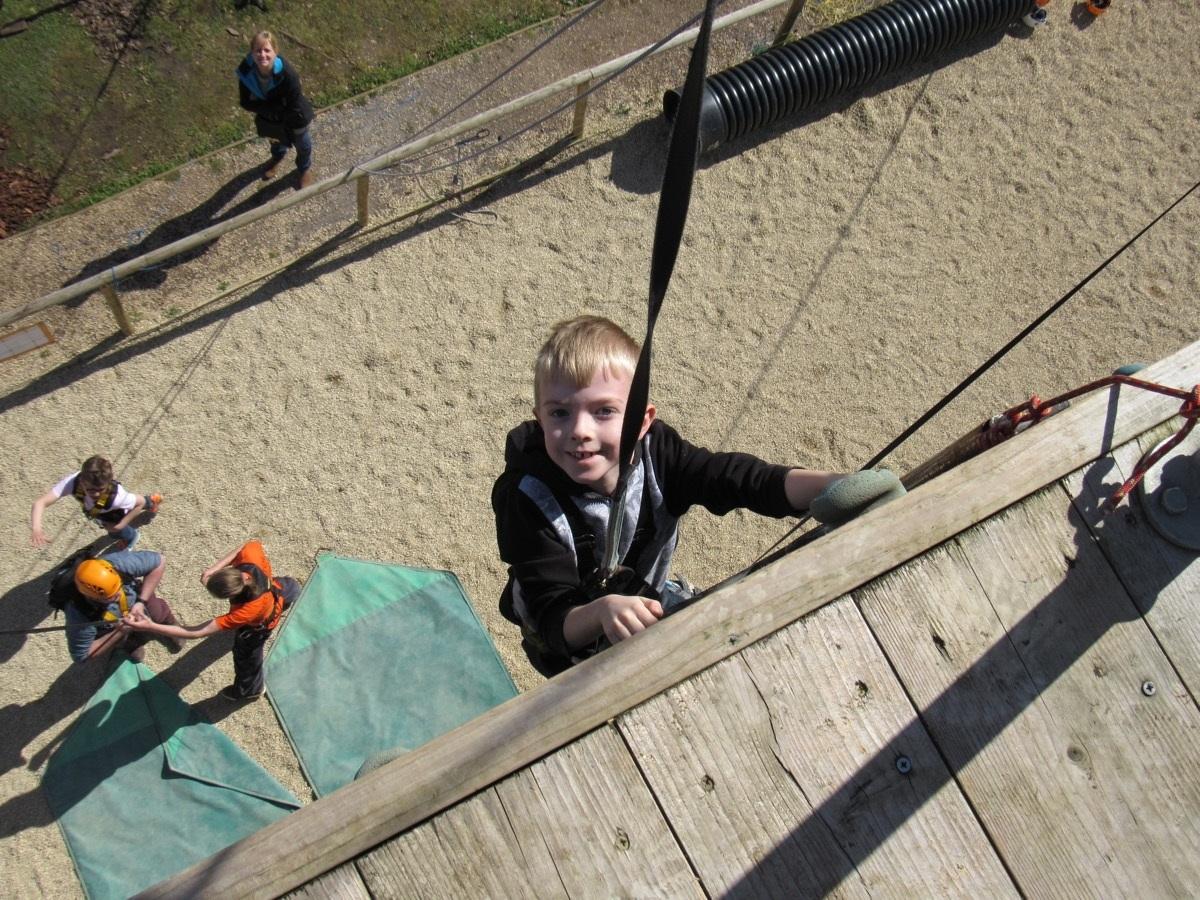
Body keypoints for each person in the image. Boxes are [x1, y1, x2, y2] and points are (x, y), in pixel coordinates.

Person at [492, 315, 855, 677]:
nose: (579, 431)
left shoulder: (659, 454)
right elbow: (552, 616)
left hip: (638, 592)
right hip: (569, 641)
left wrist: (829, 487)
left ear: (642, 420)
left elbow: (736, 479)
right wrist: (602, 612)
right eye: (559, 413)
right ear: (539, 420)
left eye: (604, 411)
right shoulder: (526, 498)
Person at [125, 540, 300, 701]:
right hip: (276, 591)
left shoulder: (245, 612)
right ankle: (294, 589)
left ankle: (249, 690)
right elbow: (243, 547)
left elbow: (196, 632)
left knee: (246, 656)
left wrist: (151, 626)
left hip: (260, 625)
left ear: (232, 596)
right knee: (286, 587)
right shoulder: (251, 560)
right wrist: (212, 570)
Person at [61, 551, 183, 663]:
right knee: (131, 650)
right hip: (115, 628)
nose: (119, 595)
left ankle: (169, 625)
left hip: (138, 601)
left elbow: (159, 561)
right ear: (93, 597)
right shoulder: (78, 612)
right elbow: (81, 655)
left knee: (157, 611)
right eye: (111, 597)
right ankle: (133, 642)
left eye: (119, 587)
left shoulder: (116, 564)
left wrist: (141, 601)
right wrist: (119, 631)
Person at [236, 31, 315, 189]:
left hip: (294, 114)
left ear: (275, 52)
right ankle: (278, 157)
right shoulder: (245, 71)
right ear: (252, 53)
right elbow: (245, 102)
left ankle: (304, 168)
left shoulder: (287, 73)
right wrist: (269, 112)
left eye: (267, 50)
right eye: (258, 50)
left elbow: (292, 100)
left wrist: (272, 110)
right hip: (270, 116)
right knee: (276, 140)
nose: (262, 55)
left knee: (302, 143)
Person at [30, 456, 162, 550]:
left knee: (116, 530)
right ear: (81, 480)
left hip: (115, 513)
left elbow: (139, 502)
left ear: (109, 482)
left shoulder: (118, 496)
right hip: (100, 513)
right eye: (90, 490)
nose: (95, 494)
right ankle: (151, 502)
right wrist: (37, 528)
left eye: (100, 490)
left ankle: (132, 536)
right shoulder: (73, 482)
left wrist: (121, 525)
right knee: (121, 515)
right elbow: (40, 503)